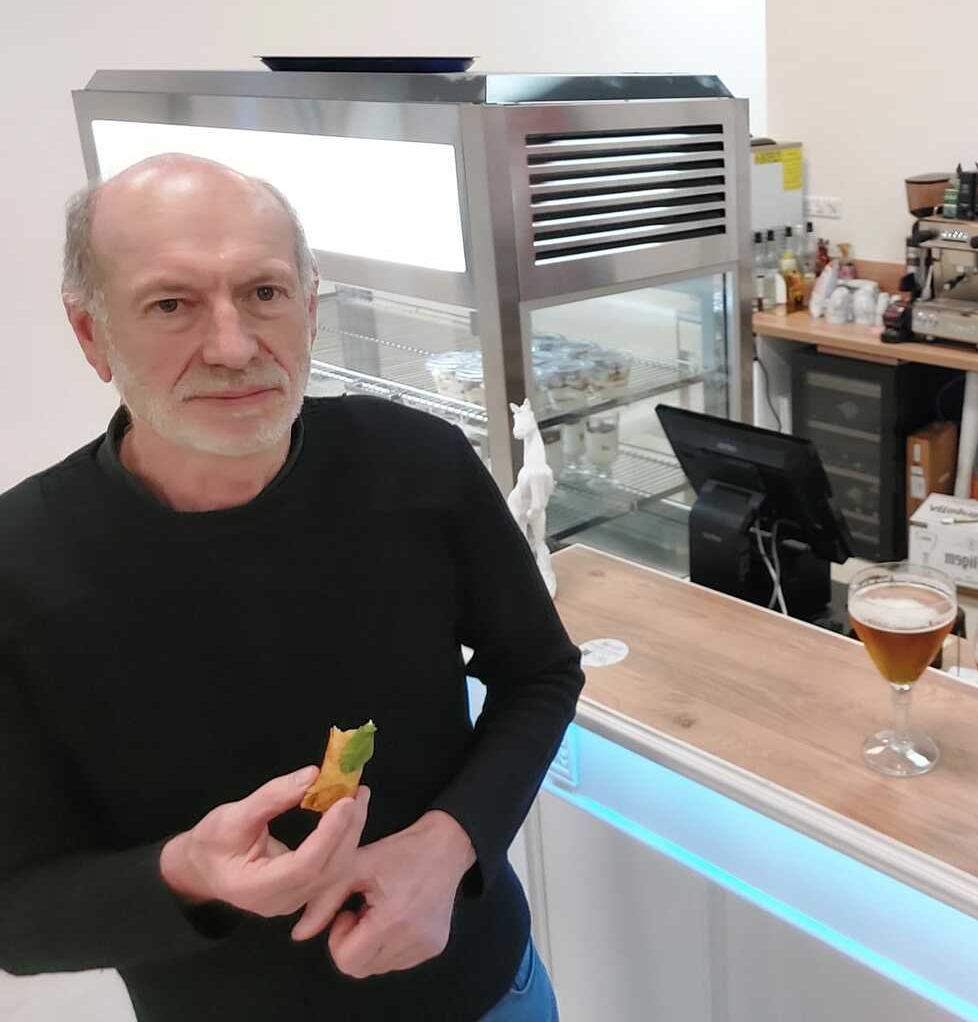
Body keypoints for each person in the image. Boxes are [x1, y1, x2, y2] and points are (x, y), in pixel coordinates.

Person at [0, 154, 583, 1022]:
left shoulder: (418, 463)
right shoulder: (19, 564)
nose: (234, 348)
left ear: (309, 309)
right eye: (171, 305)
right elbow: (15, 912)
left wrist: (448, 845)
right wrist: (186, 873)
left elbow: (540, 671)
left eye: (264, 293)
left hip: (490, 994)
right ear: (91, 334)